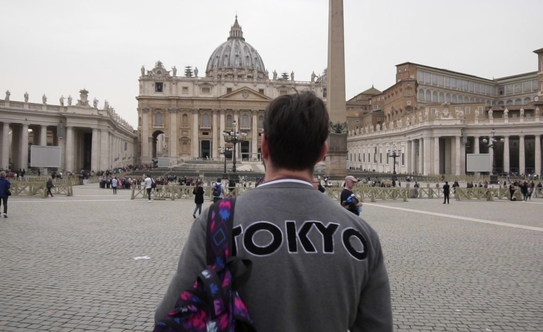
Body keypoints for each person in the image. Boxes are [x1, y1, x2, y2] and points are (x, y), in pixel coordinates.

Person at [154, 92, 392, 331]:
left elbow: (169, 316)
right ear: (323, 152)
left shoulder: (216, 222)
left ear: (264, 145)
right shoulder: (361, 235)